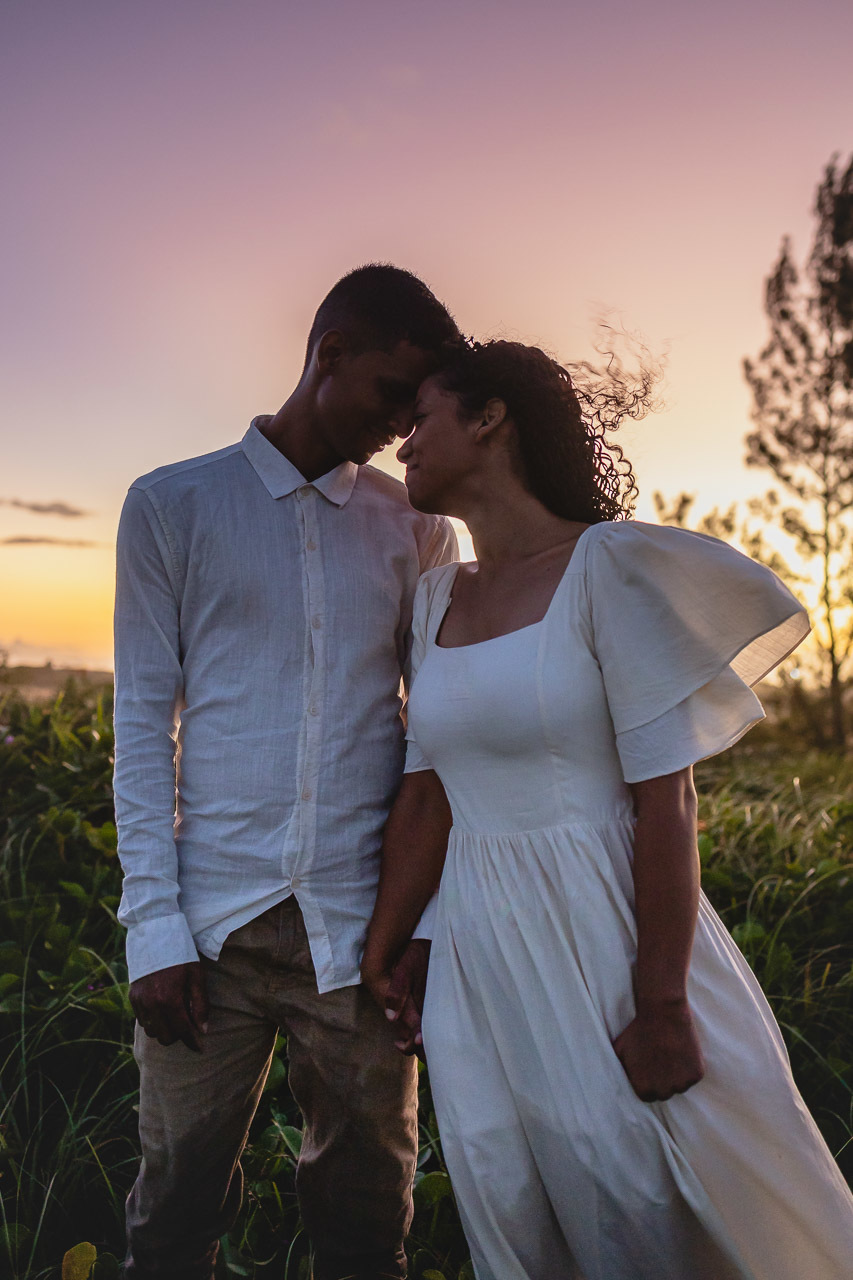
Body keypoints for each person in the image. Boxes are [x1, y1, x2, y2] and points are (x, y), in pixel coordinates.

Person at [361, 338, 853, 1280]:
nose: (402, 444)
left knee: (645, 1197)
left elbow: (666, 800)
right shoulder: (433, 602)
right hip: (478, 952)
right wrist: (393, 946)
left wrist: (663, 1001)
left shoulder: (605, 569)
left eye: (420, 417)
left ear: (488, 418)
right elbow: (429, 792)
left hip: (607, 936)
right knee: (510, 1195)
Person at [113, 264, 461, 1280]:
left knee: (367, 1227)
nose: (404, 421)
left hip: (361, 937)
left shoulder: (418, 527)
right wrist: (153, 928)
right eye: (391, 390)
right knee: (170, 1217)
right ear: (330, 351)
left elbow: (433, 741)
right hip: (207, 929)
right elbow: (141, 720)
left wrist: (422, 929)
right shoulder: (171, 504)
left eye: (421, 402)